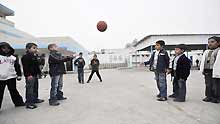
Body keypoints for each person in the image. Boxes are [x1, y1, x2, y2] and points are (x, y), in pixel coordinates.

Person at [0, 42, 25, 110]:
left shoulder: (13, 57)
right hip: (1, 78)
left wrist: (19, 75)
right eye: (3, 48)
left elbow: (17, 66)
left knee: (13, 90)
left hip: (11, 77)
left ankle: (19, 103)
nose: (6, 49)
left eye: (8, 48)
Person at [21, 43, 44, 109]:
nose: (35, 49)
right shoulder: (25, 57)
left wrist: (39, 73)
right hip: (30, 76)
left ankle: (35, 99)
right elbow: (25, 67)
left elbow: (38, 65)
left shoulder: (35, 56)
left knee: (35, 88)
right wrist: (28, 75)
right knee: (30, 89)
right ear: (27, 49)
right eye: (34, 48)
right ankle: (29, 103)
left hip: (35, 75)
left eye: (36, 48)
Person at [200, 36, 220, 103]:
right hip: (207, 70)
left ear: (218, 43)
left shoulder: (218, 51)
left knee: (216, 85)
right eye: (208, 42)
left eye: (212, 42)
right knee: (208, 84)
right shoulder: (207, 51)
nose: (210, 44)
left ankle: (216, 97)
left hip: (215, 71)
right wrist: (202, 69)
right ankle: (208, 96)